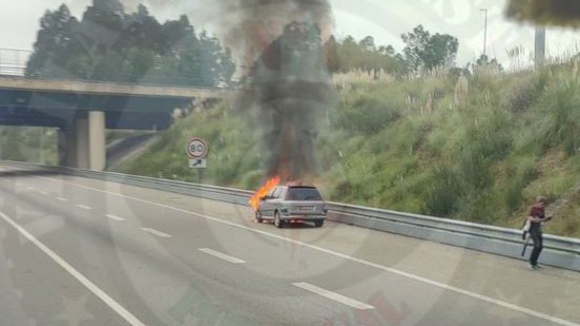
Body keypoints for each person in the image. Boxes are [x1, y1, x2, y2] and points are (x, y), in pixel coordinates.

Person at [526, 196, 552, 270]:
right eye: (542, 204)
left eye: (544, 204)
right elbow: (531, 219)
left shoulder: (542, 210)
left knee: (540, 246)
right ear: (539, 202)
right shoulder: (533, 209)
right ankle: (531, 262)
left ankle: (535, 262)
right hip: (533, 229)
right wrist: (540, 220)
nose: (543, 206)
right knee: (537, 245)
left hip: (538, 228)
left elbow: (542, 219)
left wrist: (547, 219)